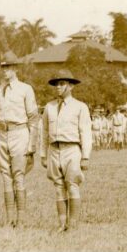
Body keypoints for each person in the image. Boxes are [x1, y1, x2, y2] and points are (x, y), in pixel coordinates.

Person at [0, 51, 40, 228]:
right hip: (1, 134)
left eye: (9, 67)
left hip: (20, 133)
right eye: (3, 67)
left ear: (16, 69)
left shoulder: (25, 89)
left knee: (19, 175)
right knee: (5, 176)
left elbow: (33, 118)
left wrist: (32, 143)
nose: (5, 70)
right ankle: (9, 219)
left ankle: (21, 219)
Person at [39, 69, 91, 233]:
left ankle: (73, 224)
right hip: (54, 149)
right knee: (58, 186)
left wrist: (85, 156)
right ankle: (62, 224)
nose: (58, 87)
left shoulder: (80, 107)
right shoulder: (50, 107)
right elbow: (44, 132)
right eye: (56, 84)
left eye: (62, 84)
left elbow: (85, 132)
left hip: (72, 149)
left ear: (70, 86)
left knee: (72, 185)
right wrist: (43, 154)